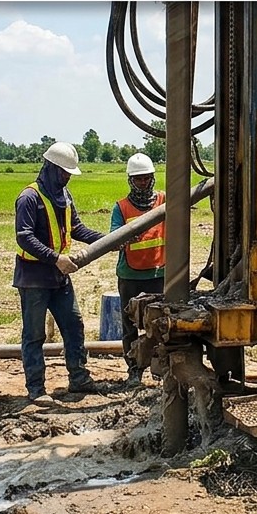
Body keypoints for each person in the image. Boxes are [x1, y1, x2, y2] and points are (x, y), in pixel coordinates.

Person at [14, 142, 105, 405]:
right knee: (34, 335)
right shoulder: (29, 198)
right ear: (51, 168)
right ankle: (36, 388)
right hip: (34, 278)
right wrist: (56, 259)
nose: (67, 177)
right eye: (64, 172)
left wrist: (107, 240)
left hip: (59, 277)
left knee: (73, 326)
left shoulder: (64, 196)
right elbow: (24, 237)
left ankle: (78, 378)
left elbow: (77, 229)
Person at [111, 153, 165, 386]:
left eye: (146, 178)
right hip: (130, 275)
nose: (143, 183)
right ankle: (134, 369)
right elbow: (114, 237)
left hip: (158, 273)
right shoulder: (121, 207)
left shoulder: (163, 200)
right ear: (130, 181)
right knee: (130, 325)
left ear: (152, 178)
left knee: (161, 324)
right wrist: (123, 238)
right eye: (138, 179)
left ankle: (159, 369)